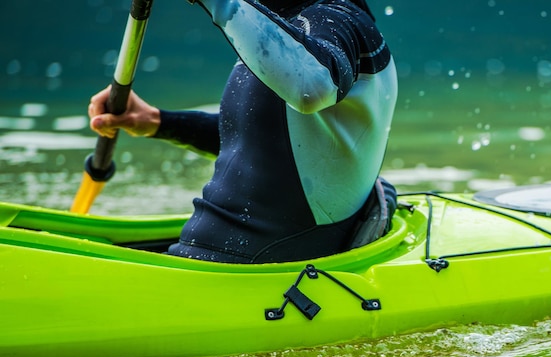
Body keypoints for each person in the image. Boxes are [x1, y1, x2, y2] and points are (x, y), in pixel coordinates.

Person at [88, 0, 398, 264]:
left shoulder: (340, 20)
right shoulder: (279, 27)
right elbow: (259, 143)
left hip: (254, 266)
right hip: (204, 257)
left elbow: (312, 86)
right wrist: (157, 121)